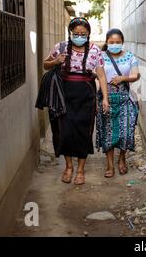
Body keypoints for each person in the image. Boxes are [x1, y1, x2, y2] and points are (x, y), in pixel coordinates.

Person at [43, 17, 109, 185]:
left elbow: (101, 75)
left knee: (83, 131)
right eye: (76, 33)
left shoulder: (95, 50)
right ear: (70, 33)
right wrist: (56, 61)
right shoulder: (61, 47)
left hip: (86, 94)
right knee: (64, 129)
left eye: (83, 34)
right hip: (63, 93)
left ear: (88, 34)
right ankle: (68, 167)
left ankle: (80, 170)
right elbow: (45, 64)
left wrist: (105, 98)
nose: (79, 36)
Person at [96, 28, 140, 178]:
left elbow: (135, 75)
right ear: (107, 42)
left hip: (125, 98)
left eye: (118, 42)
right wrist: (105, 97)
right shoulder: (100, 56)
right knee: (108, 131)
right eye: (111, 42)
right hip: (106, 97)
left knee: (126, 130)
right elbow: (97, 74)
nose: (115, 44)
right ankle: (109, 164)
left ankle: (122, 158)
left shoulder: (130, 56)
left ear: (122, 42)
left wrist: (123, 78)